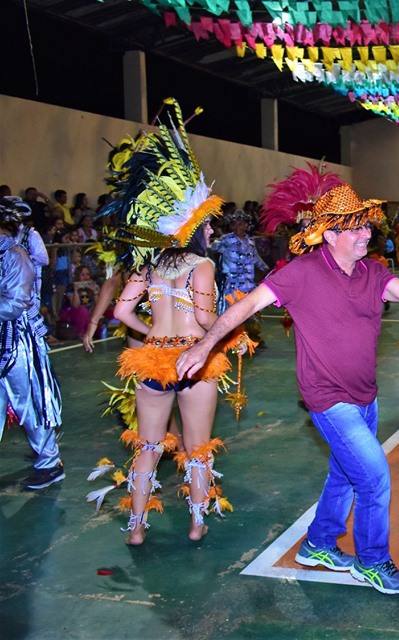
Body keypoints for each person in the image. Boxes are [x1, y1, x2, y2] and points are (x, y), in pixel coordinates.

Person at [176, 182, 399, 595]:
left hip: (365, 396)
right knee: (374, 478)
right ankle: (372, 560)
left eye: (366, 225)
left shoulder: (372, 271)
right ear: (330, 234)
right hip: (327, 398)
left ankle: (319, 543)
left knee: (345, 474)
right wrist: (205, 344)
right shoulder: (301, 273)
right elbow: (247, 305)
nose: (366, 233)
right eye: (355, 227)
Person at [90, 99, 237, 544]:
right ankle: (195, 523)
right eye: (207, 225)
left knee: (148, 447)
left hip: (153, 359)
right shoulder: (201, 266)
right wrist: (230, 322)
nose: (211, 230)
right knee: (197, 448)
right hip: (194, 362)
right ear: (191, 228)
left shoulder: (147, 266)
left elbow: (120, 312)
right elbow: (205, 317)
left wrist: (152, 333)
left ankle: (136, 529)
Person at [0, 196, 65, 490]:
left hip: (18, 343)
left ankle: (49, 463)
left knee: (29, 403)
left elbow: (15, 305)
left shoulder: (15, 256)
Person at [209, 208, 269, 345]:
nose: (238, 226)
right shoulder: (226, 240)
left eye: (241, 223)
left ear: (246, 225)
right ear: (231, 226)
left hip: (247, 284)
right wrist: (216, 267)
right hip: (232, 285)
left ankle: (252, 339)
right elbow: (210, 248)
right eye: (235, 223)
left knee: (250, 312)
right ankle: (228, 340)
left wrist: (266, 268)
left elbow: (255, 258)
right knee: (230, 312)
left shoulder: (250, 242)